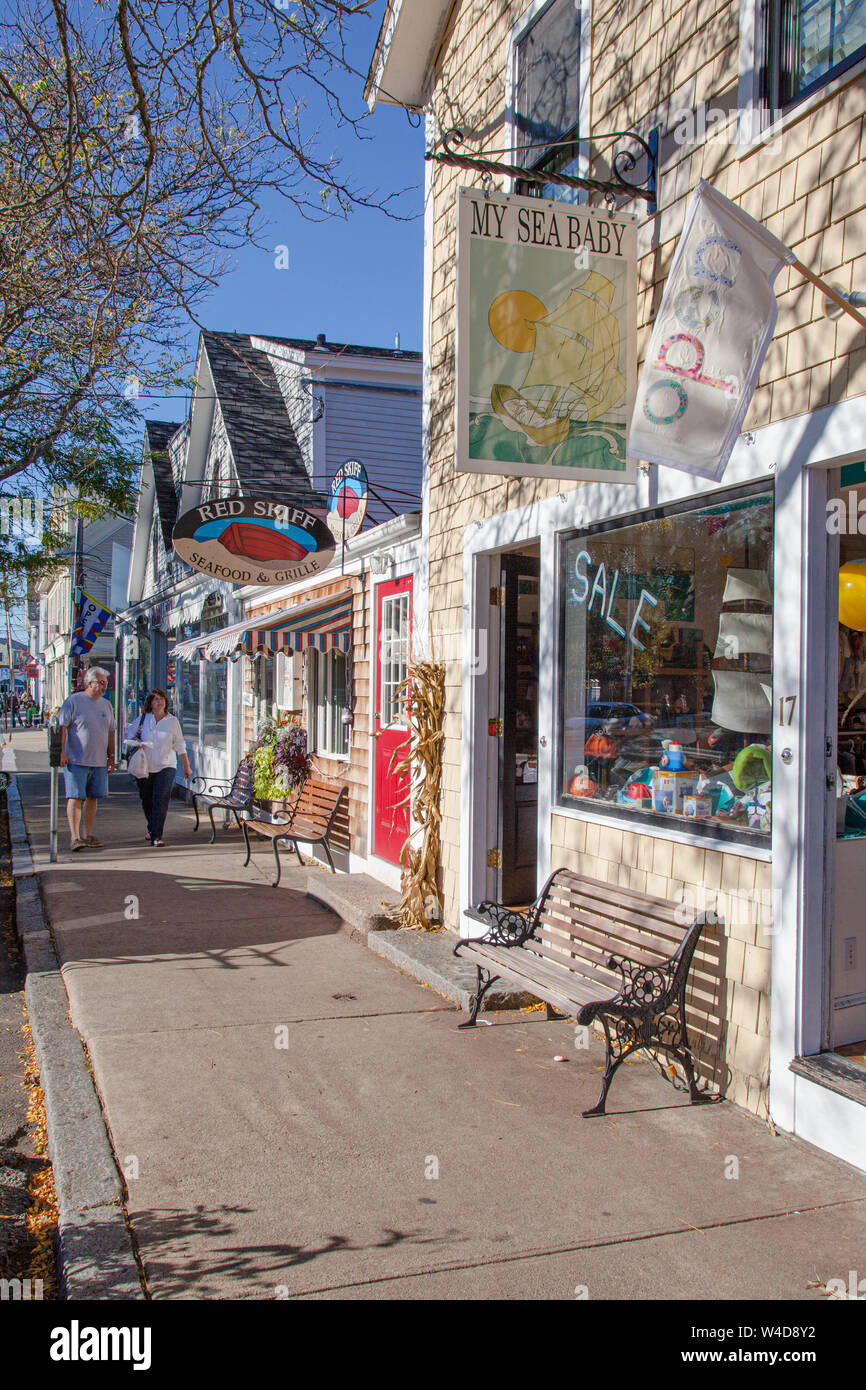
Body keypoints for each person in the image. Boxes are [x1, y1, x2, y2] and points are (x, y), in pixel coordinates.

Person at [58, 667, 116, 852]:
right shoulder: (74, 701)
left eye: (106, 683)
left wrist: (111, 756)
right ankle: (74, 837)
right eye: (101, 682)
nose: (104, 686)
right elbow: (62, 727)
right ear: (89, 683)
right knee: (75, 797)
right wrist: (61, 752)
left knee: (93, 798)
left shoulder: (106, 705)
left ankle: (87, 834)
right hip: (76, 760)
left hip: (99, 761)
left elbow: (111, 731)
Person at [127, 688, 191, 846]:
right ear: (150, 703)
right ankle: (152, 827)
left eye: (161, 698)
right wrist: (137, 741)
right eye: (155, 699)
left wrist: (186, 767)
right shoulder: (143, 719)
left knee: (161, 800)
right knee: (147, 799)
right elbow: (129, 735)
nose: (159, 701)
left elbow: (180, 745)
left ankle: (156, 835)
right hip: (145, 767)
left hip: (166, 765)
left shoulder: (172, 721)